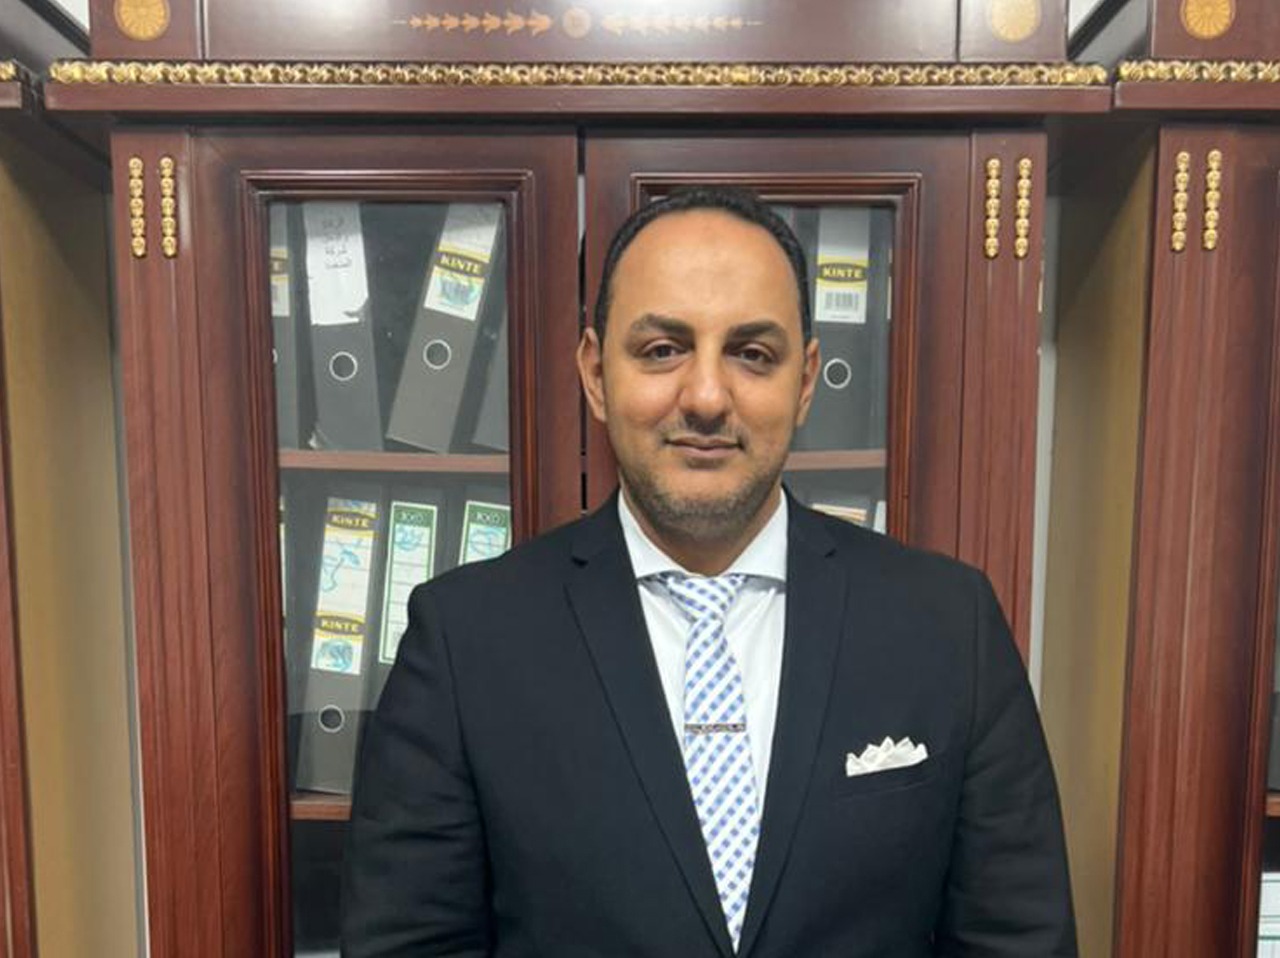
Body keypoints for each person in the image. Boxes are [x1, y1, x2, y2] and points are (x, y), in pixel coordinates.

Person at [341, 187, 1077, 957]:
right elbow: (409, 945)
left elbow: (1018, 942)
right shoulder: (465, 640)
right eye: (663, 349)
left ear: (805, 381)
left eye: (752, 354)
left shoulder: (947, 625)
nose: (705, 398)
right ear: (595, 373)